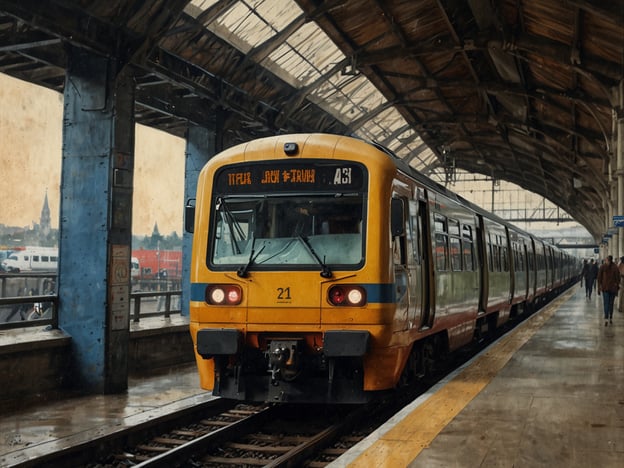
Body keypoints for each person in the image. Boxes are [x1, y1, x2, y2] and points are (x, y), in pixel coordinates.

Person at [597, 255, 620, 326]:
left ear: (608, 260)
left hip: (607, 289)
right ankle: (609, 317)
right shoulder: (615, 267)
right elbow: (618, 278)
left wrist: (599, 287)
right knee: (609, 303)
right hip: (609, 289)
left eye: (606, 260)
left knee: (607, 303)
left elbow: (599, 278)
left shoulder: (603, 267)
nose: (605, 261)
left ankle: (608, 317)